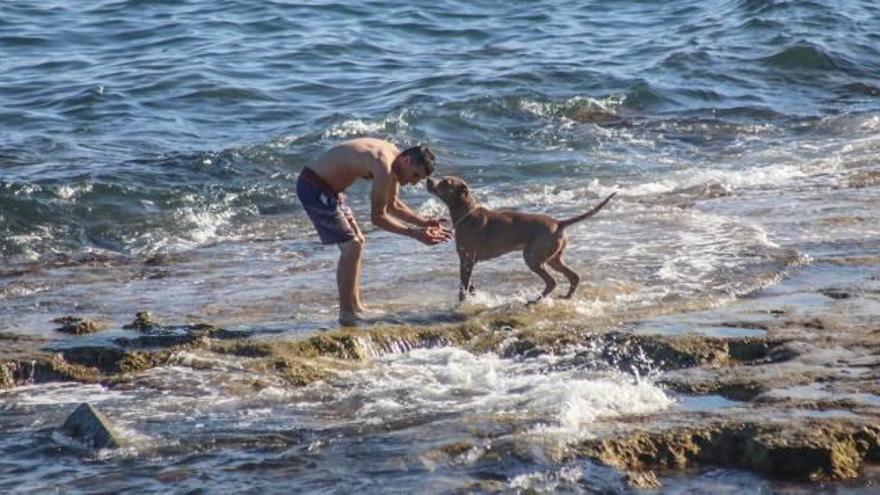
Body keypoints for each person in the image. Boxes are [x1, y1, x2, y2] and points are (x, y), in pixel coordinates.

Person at [296, 138, 452, 325]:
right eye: (415, 176)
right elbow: (378, 217)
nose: (412, 183)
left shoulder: (394, 159)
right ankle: (346, 313)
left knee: (358, 242)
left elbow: (393, 205)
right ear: (407, 161)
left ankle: (356, 306)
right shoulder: (384, 166)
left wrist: (425, 222)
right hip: (314, 187)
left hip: (333, 192)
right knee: (351, 246)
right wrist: (415, 234)